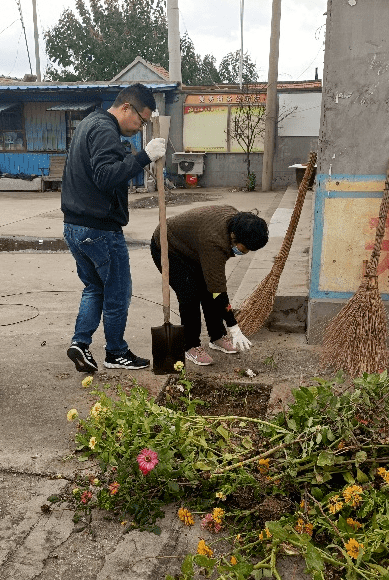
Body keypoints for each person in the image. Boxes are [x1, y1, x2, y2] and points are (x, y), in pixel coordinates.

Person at [62, 83, 167, 373]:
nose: (141, 126)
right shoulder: (106, 130)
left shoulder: (88, 124)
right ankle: (116, 352)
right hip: (99, 230)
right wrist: (143, 157)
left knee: (95, 287)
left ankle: (80, 344)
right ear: (126, 108)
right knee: (118, 292)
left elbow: (100, 170)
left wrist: (131, 158)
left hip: (75, 226)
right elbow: (106, 176)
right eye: (141, 120)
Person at [150, 205, 269, 366]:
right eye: (245, 248)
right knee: (190, 295)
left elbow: (214, 288)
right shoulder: (214, 242)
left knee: (208, 291)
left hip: (194, 248)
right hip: (169, 246)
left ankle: (217, 336)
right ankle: (190, 345)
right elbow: (218, 290)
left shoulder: (237, 222)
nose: (246, 252)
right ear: (234, 236)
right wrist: (233, 326)